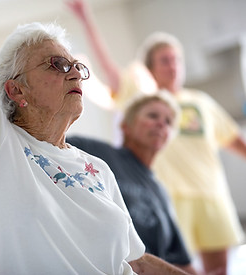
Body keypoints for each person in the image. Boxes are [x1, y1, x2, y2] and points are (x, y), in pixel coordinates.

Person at [0, 8, 190, 275]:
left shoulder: (98, 167)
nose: (74, 74)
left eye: (77, 67)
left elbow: (136, 261)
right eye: (57, 64)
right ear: (16, 90)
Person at [66, 1, 246, 274]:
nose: (173, 66)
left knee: (220, 268)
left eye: (177, 59)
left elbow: (235, 141)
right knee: (171, 262)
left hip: (212, 195)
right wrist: (86, 20)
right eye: (165, 60)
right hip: (171, 198)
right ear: (150, 67)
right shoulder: (142, 99)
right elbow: (109, 69)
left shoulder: (202, 102)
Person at [67, 92, 197, 275]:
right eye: (153, 116)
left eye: (168, 122)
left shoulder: (160, 192)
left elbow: (181, 261)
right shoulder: (92, 151)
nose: (161, 123)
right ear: (125, 125)